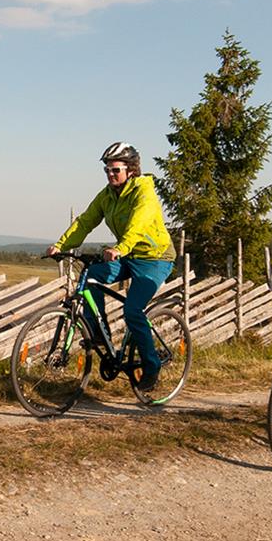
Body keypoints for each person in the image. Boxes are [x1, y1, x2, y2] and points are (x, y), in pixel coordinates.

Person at [46, 142, 175, 391]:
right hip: (128, 255)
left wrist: (119, 249)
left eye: (115, 170)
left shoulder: (143, 193)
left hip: (155, 259)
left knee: (133, 310)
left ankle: (152, 366)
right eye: (107, 170)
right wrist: (61, 245)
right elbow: (85, 221)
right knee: (92, 276)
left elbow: (138, 226)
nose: (110, 175)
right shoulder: (107, 195)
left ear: (131, 170)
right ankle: (96, 331)